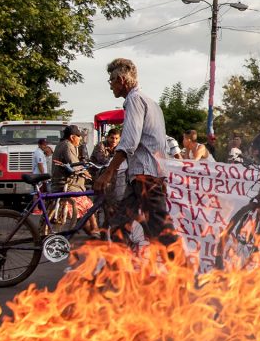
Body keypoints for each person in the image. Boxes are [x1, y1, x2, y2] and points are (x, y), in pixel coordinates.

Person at [94, 58, 177, 248]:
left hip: (146, 175)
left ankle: (183, 271)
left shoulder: (134, 100)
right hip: (144, 173)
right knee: (121, 223)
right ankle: (119, 271)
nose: (110, 87)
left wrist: (109, 172)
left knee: (159, 228)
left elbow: (129, 142)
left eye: (111, 81)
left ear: (121, 80)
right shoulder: (150, 101)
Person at [51, 126, 84, 191]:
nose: (80, 138)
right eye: (78, 136)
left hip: (57, 183)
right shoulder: (68, 145)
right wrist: (87, 173)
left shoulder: (60, 144)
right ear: (72, 137)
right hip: (67, 185)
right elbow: (76, 166)